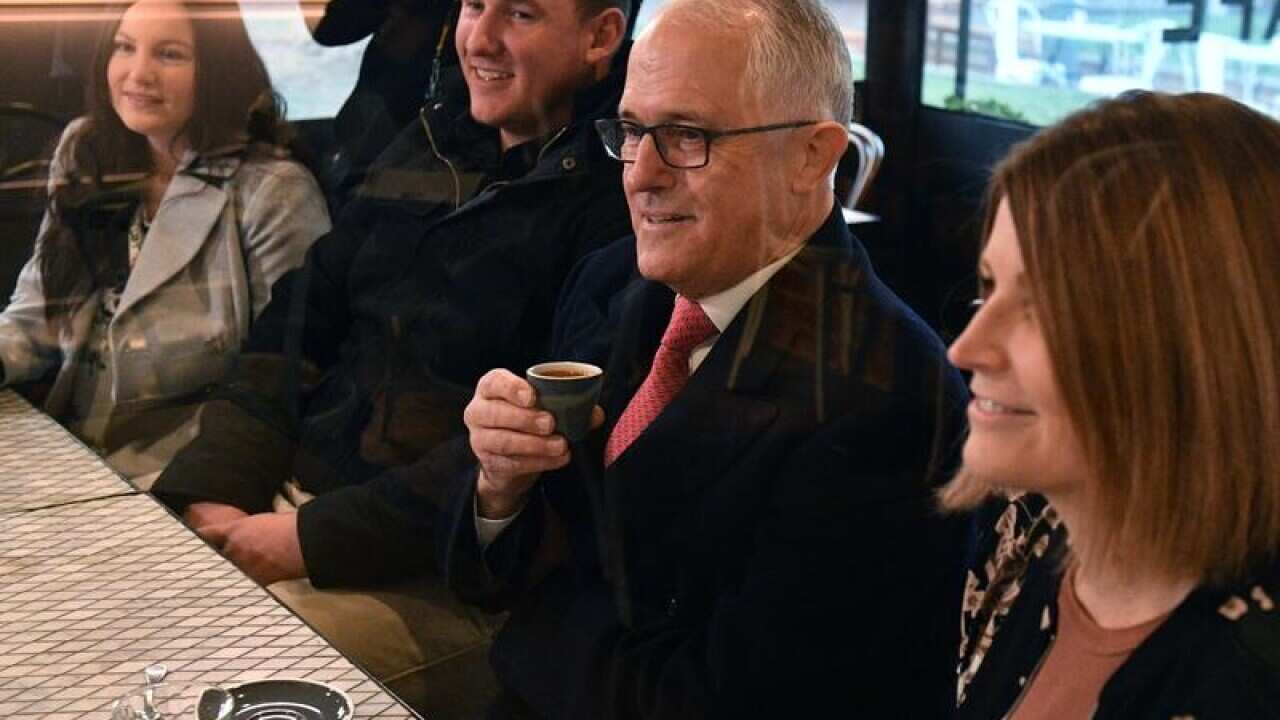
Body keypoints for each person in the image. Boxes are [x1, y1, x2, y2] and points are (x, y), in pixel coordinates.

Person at [440, 1, 969, 717]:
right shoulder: (611, 280)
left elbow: (721, 701)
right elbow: (499, 577)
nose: (639, 175)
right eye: (630, 132)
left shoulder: (890, 395)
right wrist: (499, 489)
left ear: (813, 156)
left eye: (686, 136)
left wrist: (534, 624)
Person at [150, 0, 634, 713]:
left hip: (449, 579)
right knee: (118, 599)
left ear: (601, 38)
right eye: (473, 6)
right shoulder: (428, 140)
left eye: (522, 14)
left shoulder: (618, 200)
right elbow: (294, 328)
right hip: (291, 507)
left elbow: (519, 454)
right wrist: (216, 493)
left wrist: (302, 542)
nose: (483, 38)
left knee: (207, 668)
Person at [943, 91, 1280, 719]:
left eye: (1044, 307)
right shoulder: (1027, 527)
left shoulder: (1252, 674)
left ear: (1195, 348)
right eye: (988, 287)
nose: (965, 349)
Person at [0, 0, 328, 483]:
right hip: (67, 448)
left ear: (216, 69)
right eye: (124, 48)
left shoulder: (274, 191)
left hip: (182, 474)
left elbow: (279, 381)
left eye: (169, 55)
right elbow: (33, 318)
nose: (138, 74)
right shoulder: (85, 148)